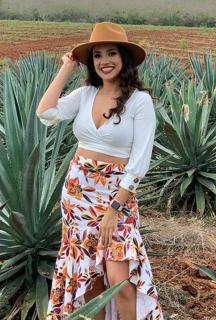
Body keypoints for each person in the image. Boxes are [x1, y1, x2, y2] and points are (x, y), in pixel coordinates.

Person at [36, 21, 164, 320]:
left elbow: (139, 162)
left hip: (115, 199)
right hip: (78, 198)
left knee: (120, 282)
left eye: (111, 54)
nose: (104, 61)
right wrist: (66, 67)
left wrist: (114, 208)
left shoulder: (139, 101)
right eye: (97, 56)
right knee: (89, 279)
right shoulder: (84, 95)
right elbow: (45, 114)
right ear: (91, 63)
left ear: (124, 59)